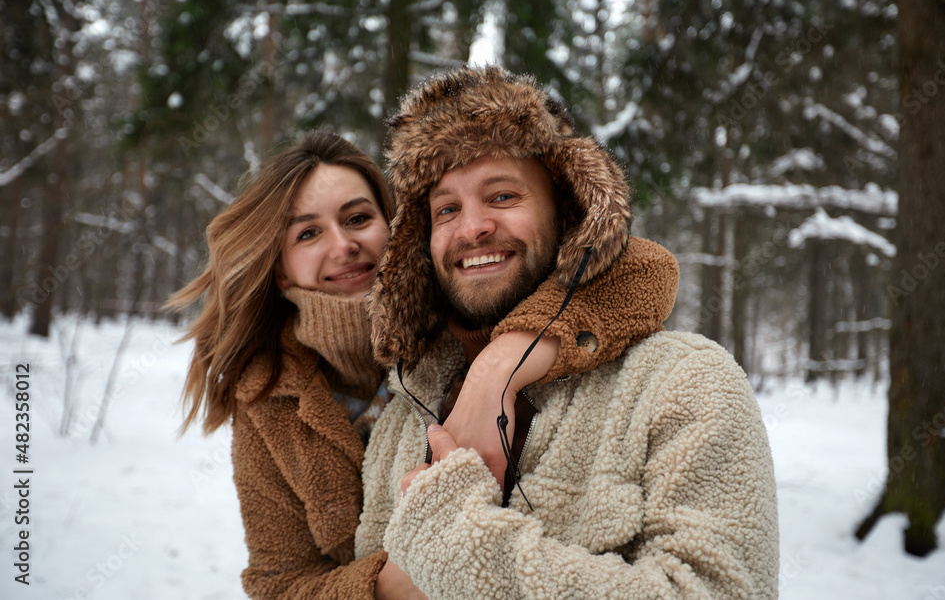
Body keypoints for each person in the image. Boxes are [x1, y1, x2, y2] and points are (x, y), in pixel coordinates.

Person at [166, 130, 676, 598]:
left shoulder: (461, 303)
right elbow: (280, 585)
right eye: (307, 234)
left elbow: (648, 270)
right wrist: (398, 579)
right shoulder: (267, 398)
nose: (343, 246)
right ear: (278, 270)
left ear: (398, 227)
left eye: (358, 218)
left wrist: (499, 364)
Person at [356, 66, 780, 599]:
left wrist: (454, 539)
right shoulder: (404, 413)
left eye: (502, 196)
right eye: (447, 209)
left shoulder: (685, 381)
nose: (472, 228)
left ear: (568, 212)